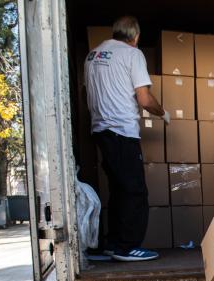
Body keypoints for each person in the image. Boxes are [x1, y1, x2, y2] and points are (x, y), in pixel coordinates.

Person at [84, 15, 168, 262]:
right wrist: (163, 112)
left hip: (101, 131)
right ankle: (128, 247)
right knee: (135, 191)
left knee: (118, 189)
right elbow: (144, 98)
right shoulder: (133, 55)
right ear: (136, 36)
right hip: (122, 131)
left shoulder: (93, 55)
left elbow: (85, 91)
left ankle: (112, 243)